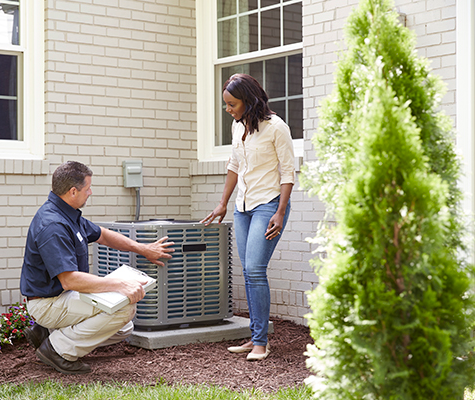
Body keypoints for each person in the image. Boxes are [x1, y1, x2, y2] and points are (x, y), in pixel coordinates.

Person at [20, 161, 174, 374]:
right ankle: (56, 349)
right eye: (87, 188)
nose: (90, 192)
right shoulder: (53, 225)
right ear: (73, 191)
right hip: (49, 302)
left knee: (123, 328)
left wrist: (143, 249)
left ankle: (46, 333)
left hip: (65, 296)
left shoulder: (68, 213)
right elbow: (69, 280)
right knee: (123, 308)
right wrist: (118, 285)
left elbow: (102, 235)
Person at [201, 74, 295, 361]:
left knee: (255, 269)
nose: (227, 109)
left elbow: (288, 173)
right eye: (226, 104)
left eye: (232, 104)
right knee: (249, 272)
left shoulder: (276, 128)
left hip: (268, 205)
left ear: (249, 100)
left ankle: (260, 343)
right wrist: (223, 203)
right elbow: (234, 165)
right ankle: (255, 335)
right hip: (243, 207)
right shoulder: (237, 126)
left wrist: (280, 212)